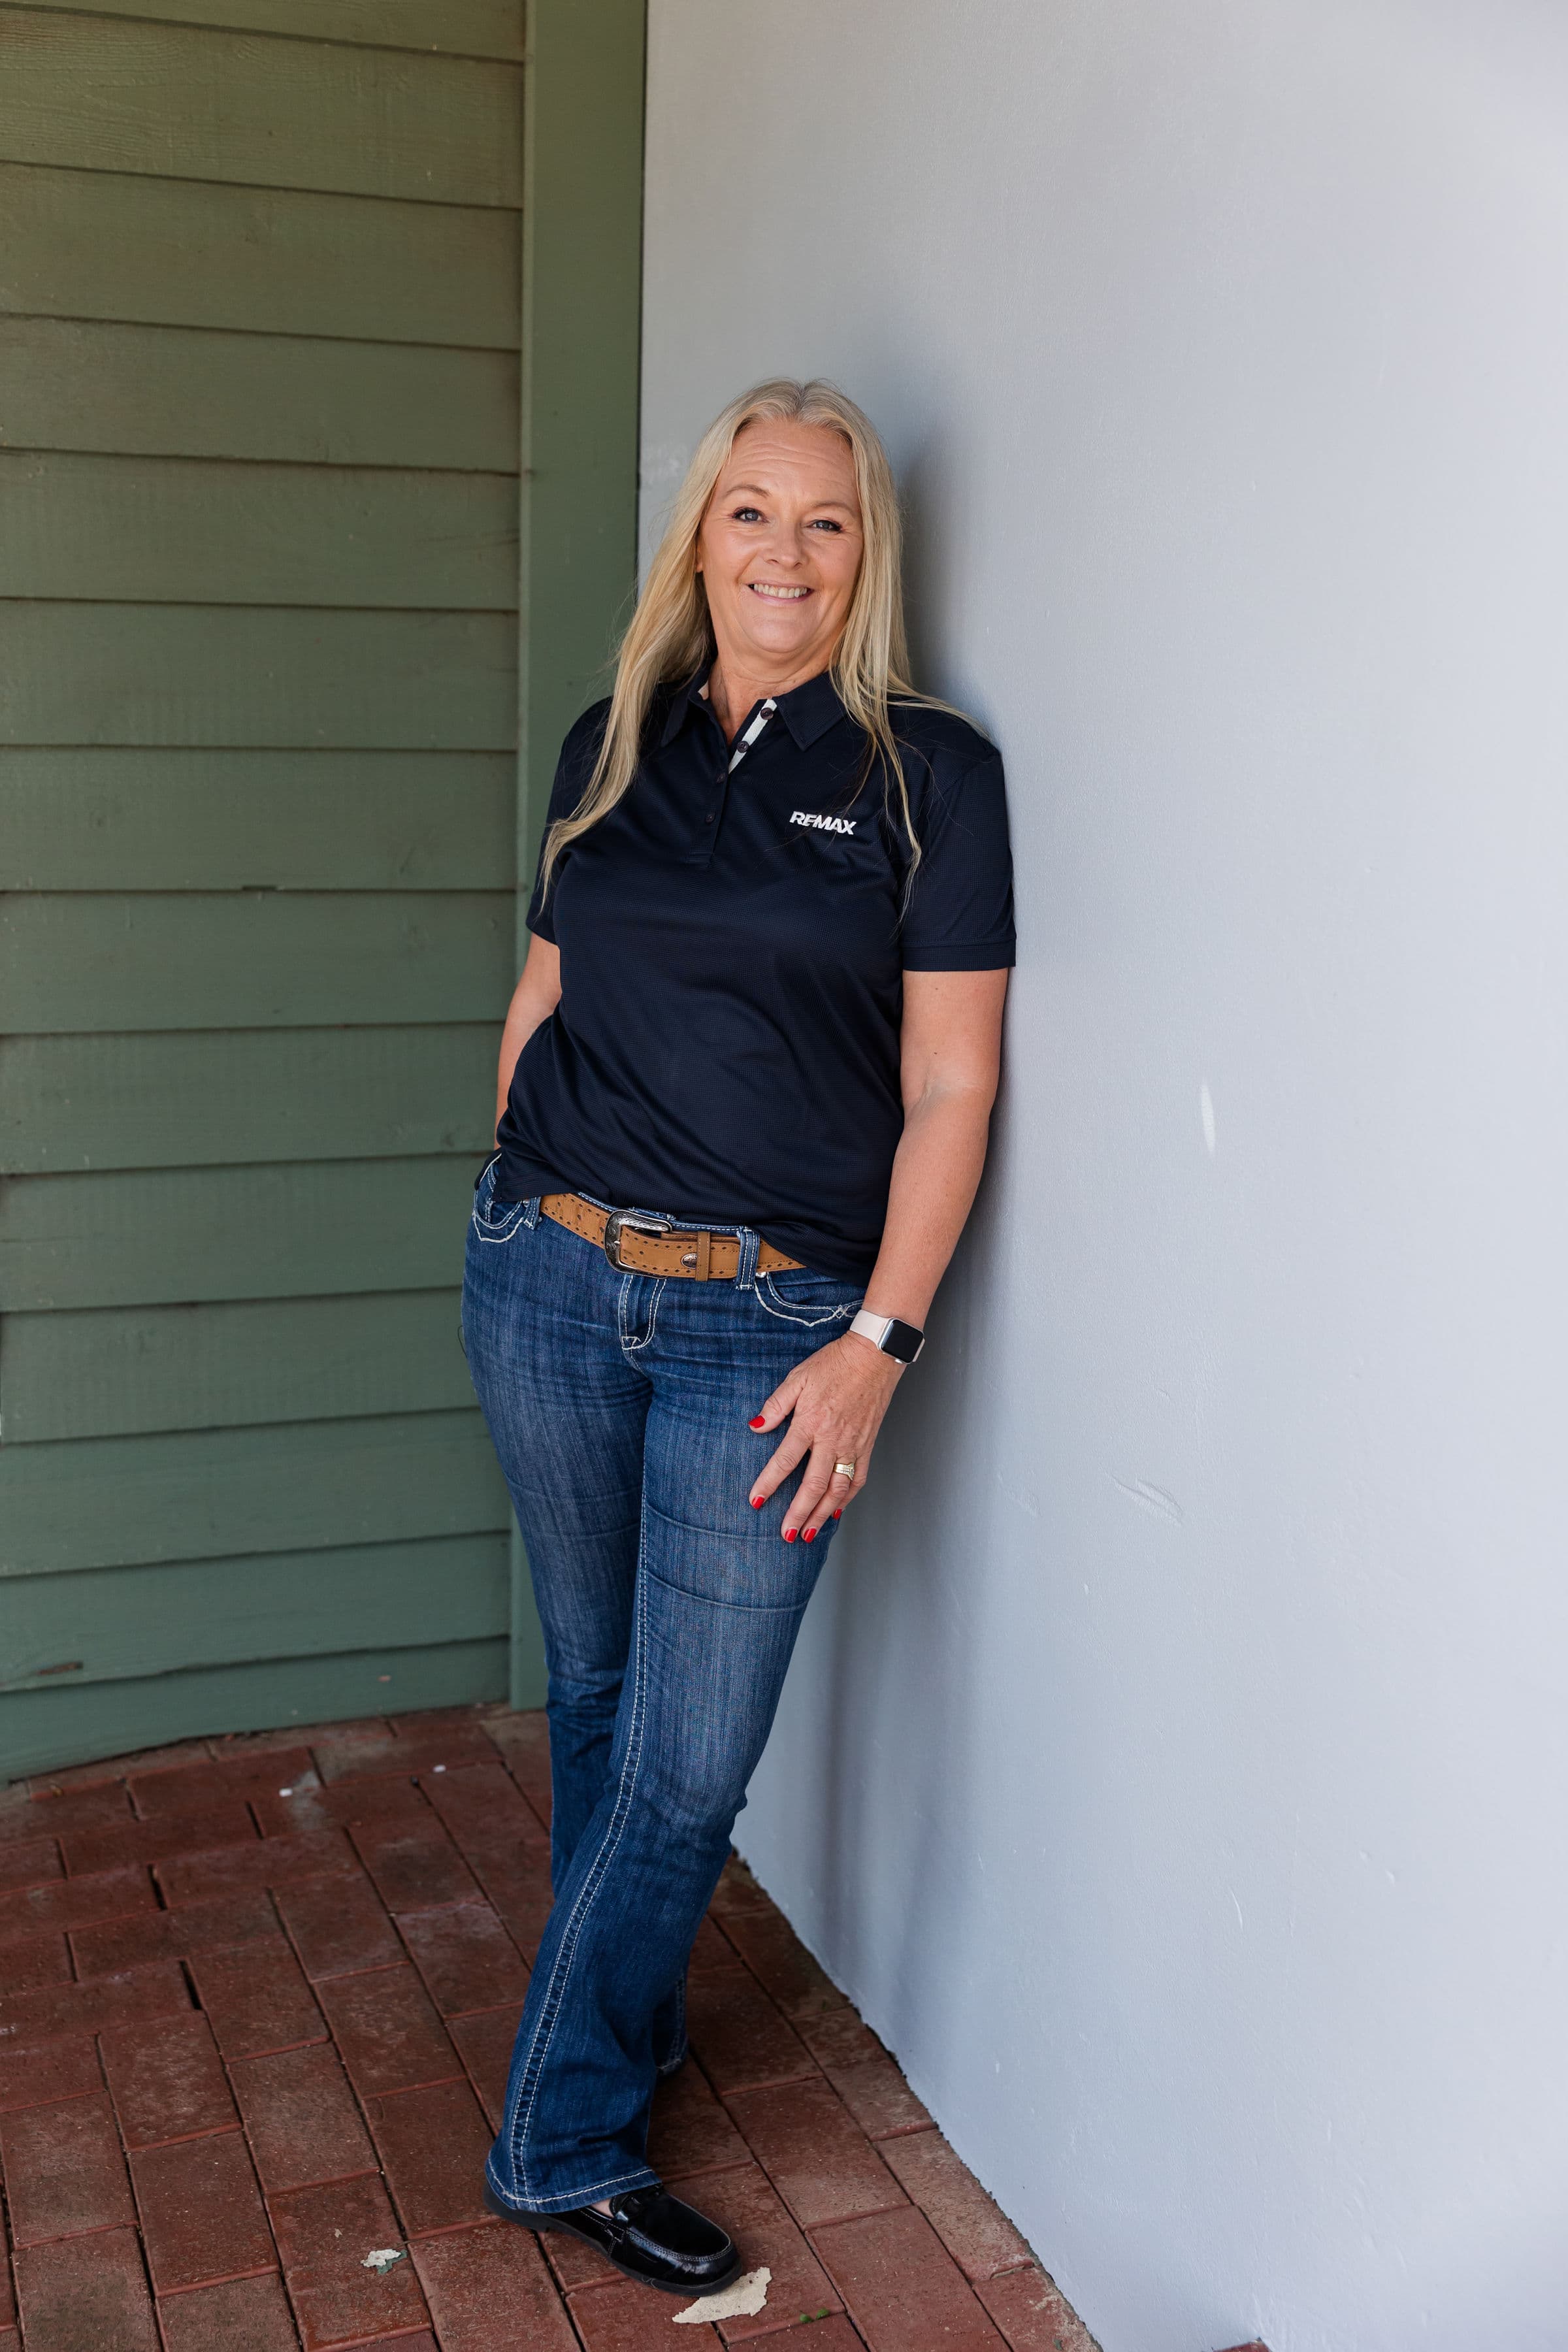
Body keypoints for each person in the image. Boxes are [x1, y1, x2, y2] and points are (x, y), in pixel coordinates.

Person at [463, 378, 1013, 2298]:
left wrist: (880, 1343)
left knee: (688, 1762)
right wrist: (515, 1184)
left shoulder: (930, 776)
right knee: (598, 1688)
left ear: (868, 552)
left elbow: (951, 1089)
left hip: (769, 1328)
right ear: (700, 533)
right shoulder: (611, 737)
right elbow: (543, 990)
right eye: (750, 511)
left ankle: (559, 2135)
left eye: (825, 520)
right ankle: (616, 2033)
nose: (785, 552)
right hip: (547, 1279)